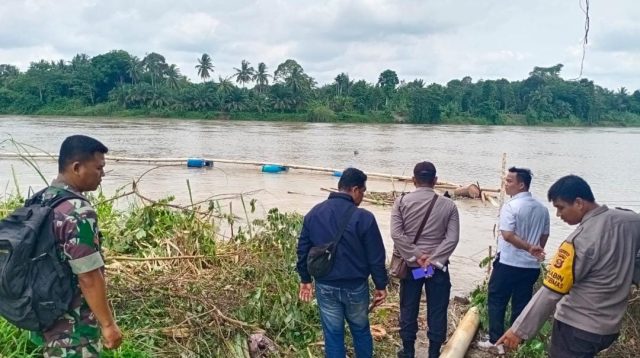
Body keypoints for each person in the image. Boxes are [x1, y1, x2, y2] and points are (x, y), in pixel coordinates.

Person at [498, 175, 640, 357]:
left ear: (579, 203)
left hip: (576, 328)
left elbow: (551, 291)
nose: (558, 215)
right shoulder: (630, 221)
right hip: (609, 328)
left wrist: (518, 330)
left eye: (560, 208)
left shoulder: (578, 241)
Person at [32, 135, 122, 357]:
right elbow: (88, 277)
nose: (102, 174)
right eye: (99, 168)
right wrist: (108, 325)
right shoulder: (77, 211)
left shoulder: (42, 199)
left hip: (45, 315)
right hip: (74, 329)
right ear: (77, 167)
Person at [296, 167, 388, 358]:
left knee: (333, 334)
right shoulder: (364, 218)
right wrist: (381, 285)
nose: (362, 196)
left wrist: (305, 279)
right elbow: (376, 257)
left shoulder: (314, 213)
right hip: (355, 287)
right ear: (355, 190)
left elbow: (303, 250)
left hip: (325, 286)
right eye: (362, 191)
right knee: (361, 330)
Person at [477, 167, 549, 355]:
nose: (505, 184)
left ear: (521, 184)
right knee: (521, 303)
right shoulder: (542, 209)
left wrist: (528, 248)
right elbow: (545, 235)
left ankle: (496, 341)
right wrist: (535, 250)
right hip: (530, 266)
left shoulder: (511, 206)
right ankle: (513, 342)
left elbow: (507, 235)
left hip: (509, 263)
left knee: (497, 299)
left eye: (509, 181)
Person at [391, 161, 460, 358]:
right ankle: (433, 353)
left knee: (408, 307)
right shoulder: (449, 206)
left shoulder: (401, 202)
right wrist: (433, 260)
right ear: (435, 180)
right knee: (438, 310)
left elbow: (396, 234)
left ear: (413, 180)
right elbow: (452, 238)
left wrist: (417, 256)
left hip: (412, 267)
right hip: (436, 268)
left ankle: (409, 351)